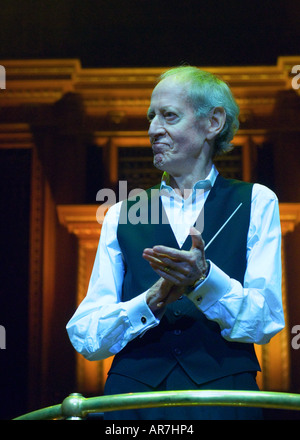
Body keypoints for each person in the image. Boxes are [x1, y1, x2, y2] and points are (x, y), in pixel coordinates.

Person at [66, 66, 285, 420]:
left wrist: (204, 280)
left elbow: (265, 321)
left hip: (224, 400)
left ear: (213, 123)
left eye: (169, 115)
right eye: (151, 117)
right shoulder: (121, 212)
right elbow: (86, 335)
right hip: (133, 403)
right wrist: (149, 301)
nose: (153, 129)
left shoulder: (257, 201)